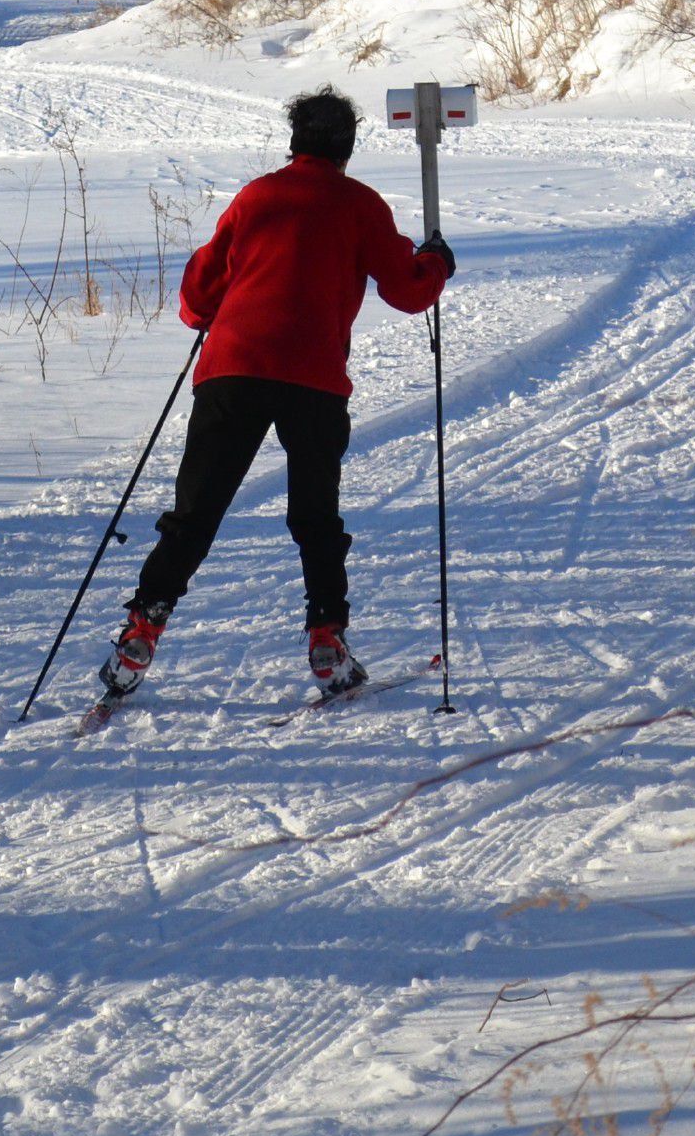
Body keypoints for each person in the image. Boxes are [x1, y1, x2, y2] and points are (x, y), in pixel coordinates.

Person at [97, 89, 455, 703]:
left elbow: (200, 291)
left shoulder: (256, 196)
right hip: (313, 381)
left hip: (232, 370)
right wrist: (438, 264)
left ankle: (142, 630)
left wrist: (203, 312)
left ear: (293, 142)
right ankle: (326, 643)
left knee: (195, 516)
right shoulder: (362, 205)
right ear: (346, 148)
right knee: (316, 519)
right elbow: (407, 288)